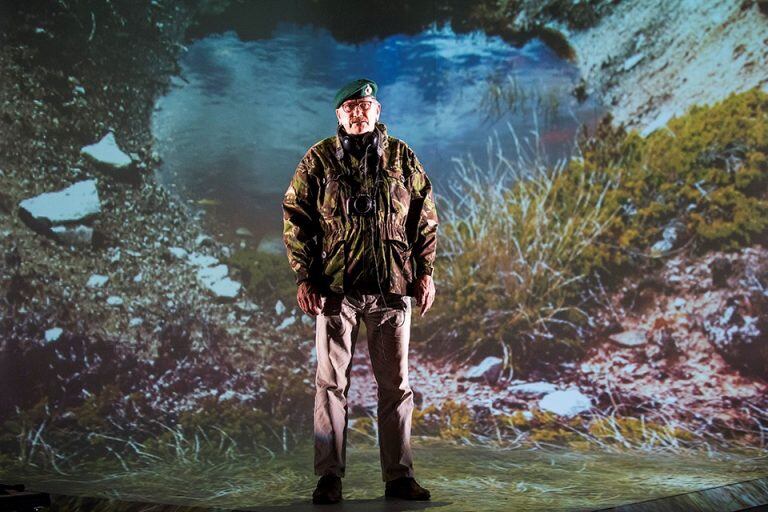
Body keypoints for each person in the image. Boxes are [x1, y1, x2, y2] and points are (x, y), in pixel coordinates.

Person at [282, 78, 438, 504]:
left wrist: (425, 273)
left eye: (365, 105)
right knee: (330, 385)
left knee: (396, 386)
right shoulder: (317, 160)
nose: (358, 112)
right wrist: (305, 276)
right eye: (350, 106)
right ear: (339, 115)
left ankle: (400, 477)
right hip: (335, 291)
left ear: (378, 110)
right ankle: (329, 477)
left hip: (391, 288)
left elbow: (424, 217)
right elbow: (296, 217)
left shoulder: (402, 157)